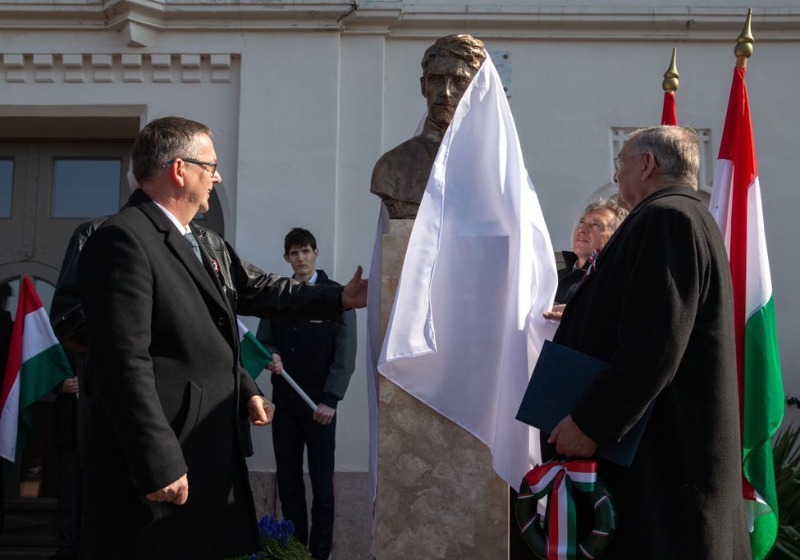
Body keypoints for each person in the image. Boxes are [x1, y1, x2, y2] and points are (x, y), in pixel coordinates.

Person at [77, 116, 368, 560]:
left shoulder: (204, 241)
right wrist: (158, 459)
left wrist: (338, 298)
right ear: (180, 170)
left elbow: (256, 292)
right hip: (163, 468)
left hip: (206, 452)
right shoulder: (122, 240)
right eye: (210, 166)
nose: (217, 177)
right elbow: (123, 363)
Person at [546, 126, 750, 558]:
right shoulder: (682, 215)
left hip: (661, 456)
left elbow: (654, 344)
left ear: (647, 164)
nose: (616, 175)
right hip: (655, 447)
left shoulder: (667, 219)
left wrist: (592, 423)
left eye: (621, 163)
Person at [256, 227, 356, 560]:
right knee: (289, 483)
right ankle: (295, 552)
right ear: (286, 257)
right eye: (294, 253)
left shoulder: (336, 295)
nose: (300, 258)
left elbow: (345, 355)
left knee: (322, 487)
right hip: (285, 403)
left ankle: (320, 554)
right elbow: (264, 341)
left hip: (320, 407)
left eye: (305, 251)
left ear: (316, 253)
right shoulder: (277, 296)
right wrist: (271, 355)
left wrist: (331, 400)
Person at [370, 34, 487, 219]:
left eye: (459, 81)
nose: (446, 92)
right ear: (423, 86)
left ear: (477, 89)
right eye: (436, 79)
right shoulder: (392, 166)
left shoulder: (494, 165)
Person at [543, 199, 627, 321]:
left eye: (596, 225)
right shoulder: (552, 279)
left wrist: (578, 317)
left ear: (615, 237)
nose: (582, 229)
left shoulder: (619, 282)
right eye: (582, 222)